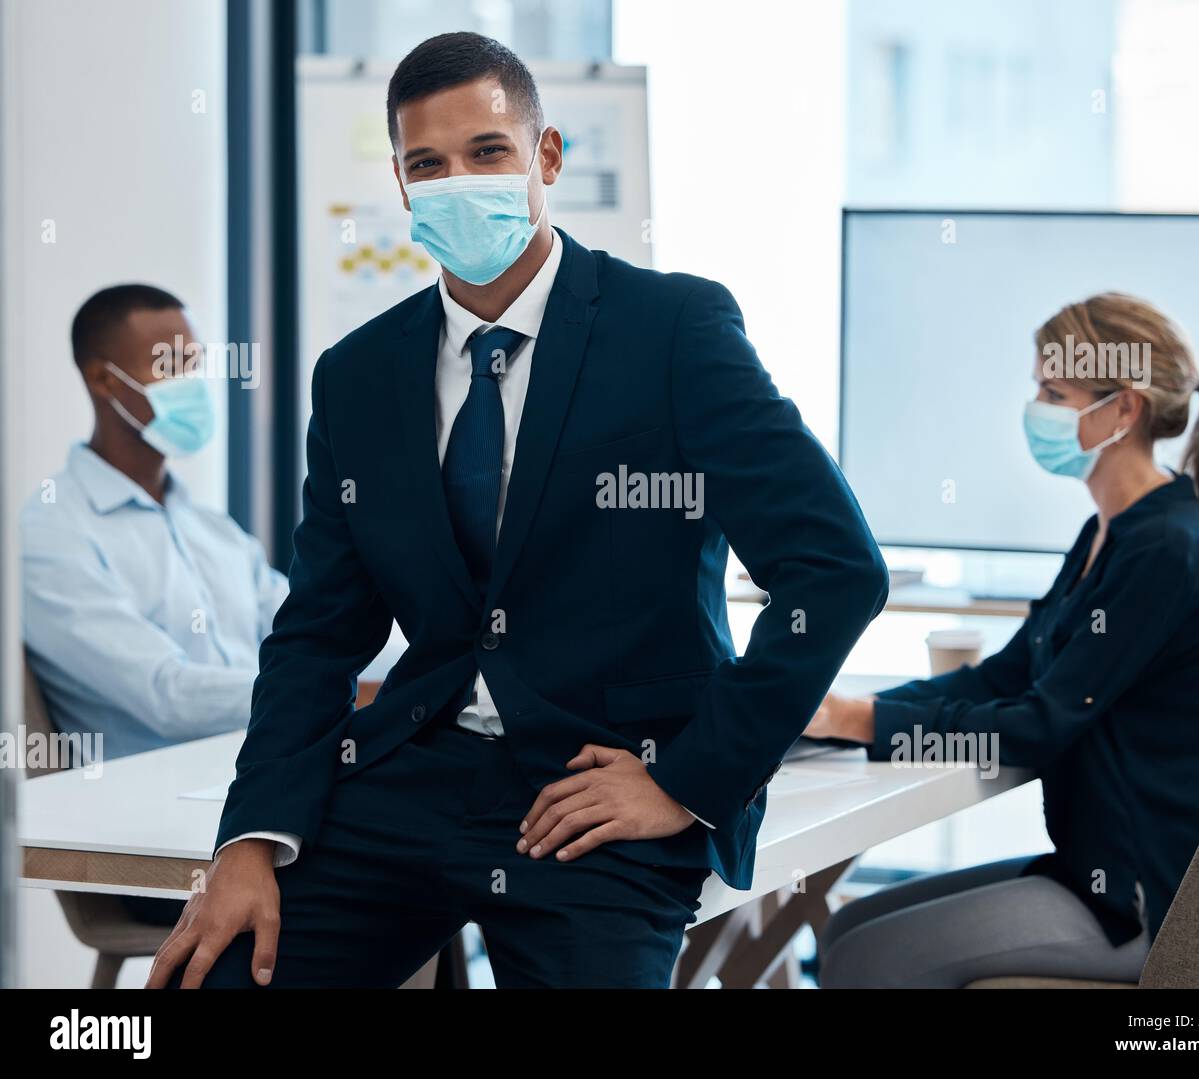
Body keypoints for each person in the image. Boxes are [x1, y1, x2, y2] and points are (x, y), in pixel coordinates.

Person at [148, 32, 888, 989]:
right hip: (415, 772)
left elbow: (834, 570)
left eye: (487, 152)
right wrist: (250, 836)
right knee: (208, 982)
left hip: (603, 787)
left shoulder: (673, 332)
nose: (458, 181)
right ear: (404, 185)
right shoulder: (358, 376)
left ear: (546, 157)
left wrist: (684, 779)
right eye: (429, 163)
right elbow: (319, 632)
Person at [808, 292, 1199, 988]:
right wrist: (845, 715)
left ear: (1124, 409)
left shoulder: (1166, 552)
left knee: (867, 957)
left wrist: (856, 719)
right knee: (841, 929)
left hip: (1143, 900)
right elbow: (1007, 677)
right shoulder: (1110, 534)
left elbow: (1039, 723)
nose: (1037, 409)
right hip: (1093, 872)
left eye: (1055, 391)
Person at [22, 284, 289, 924]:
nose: (191, 383)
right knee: (392, 881)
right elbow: (163, 695)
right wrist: (322, 692)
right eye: (168, 366)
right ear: (103, 380)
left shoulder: (209, 528)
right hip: (156, 846)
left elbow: (303, 629)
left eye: (194, 364)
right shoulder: (50, 533)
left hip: (259, 796)